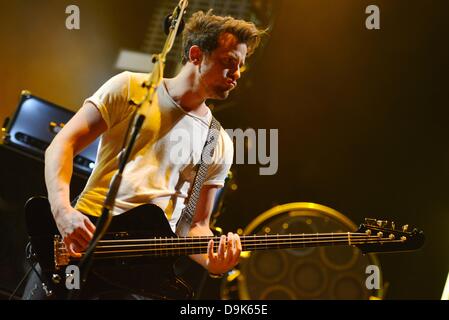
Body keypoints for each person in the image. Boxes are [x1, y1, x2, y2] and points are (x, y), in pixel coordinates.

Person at [22, 10, 264, 299]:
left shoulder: (219, 141)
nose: (236, 75)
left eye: (240, 67)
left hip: (138, 275)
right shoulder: (131, 88)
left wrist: (214, 262)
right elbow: (62, 144)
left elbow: (194, 226)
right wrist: (62, 211)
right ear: (197, 54)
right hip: (80, 240)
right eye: (229, 63)